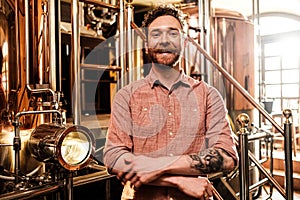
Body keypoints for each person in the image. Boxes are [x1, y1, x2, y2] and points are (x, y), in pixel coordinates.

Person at [103, 4, 238, 200]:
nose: (164, 41)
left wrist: (158, 167)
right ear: (146, 42)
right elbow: (114, 158)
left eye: (173, 34)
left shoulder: (209, 95)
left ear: (184, 41)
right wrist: (178, 180)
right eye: (156, 34)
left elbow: (226, 158)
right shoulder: (126, 95)